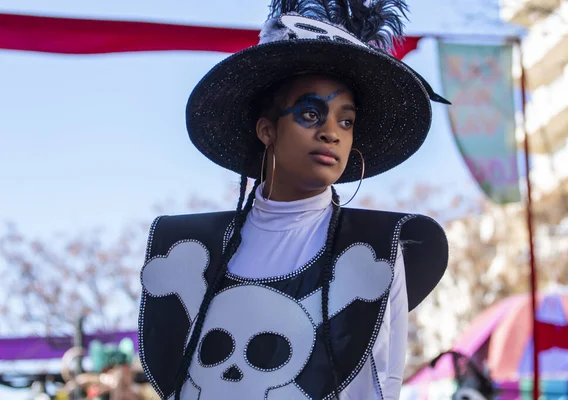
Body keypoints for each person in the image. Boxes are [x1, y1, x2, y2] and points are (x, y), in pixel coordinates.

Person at [138, 1, 450, 399]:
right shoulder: (184, 248)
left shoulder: (377, 248)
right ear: (267, 129)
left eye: (346, 120)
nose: (331, 133)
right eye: (309, 114)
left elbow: (381, 385)